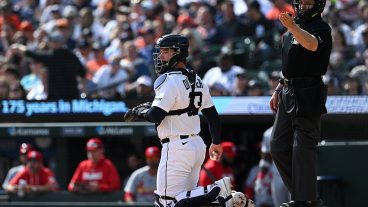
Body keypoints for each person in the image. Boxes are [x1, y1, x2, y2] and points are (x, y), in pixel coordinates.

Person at [124, 34, 254, 207]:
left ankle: (219, 191)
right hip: (196, 145)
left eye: (166, 52)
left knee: (166, 202)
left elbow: (155, 116)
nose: (161, 56)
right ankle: (223, 197)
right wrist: (215, 142)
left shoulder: (169, 80)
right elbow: (212, 115)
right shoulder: (197, 79)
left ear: (178, 53)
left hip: (177, 147)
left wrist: (141, 112)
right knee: (187, 201)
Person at [269, 0, 332, 206]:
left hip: (308, 92)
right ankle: (306, 198)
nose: (303, 5)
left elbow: (312, 45)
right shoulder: (293, 27)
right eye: (300, 1)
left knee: (303, 147)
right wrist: (279, 86)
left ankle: (304, 200)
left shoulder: (320, 27)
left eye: (308, 1)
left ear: (318, 4)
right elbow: (290, 62)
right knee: (277, 146)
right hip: (288, 90)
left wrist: (293, 28)